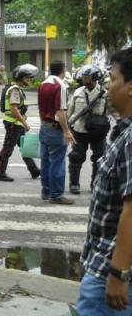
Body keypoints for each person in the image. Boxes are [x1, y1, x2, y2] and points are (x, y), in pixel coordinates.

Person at [77, 48, 132, 315]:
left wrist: (118, 274)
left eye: (113, 78)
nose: (108, 86)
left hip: (109, 278)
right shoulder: (123, 131)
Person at [67, 65, 110, 194]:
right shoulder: (78, 92)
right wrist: (66, 127)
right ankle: (74, 184)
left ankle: (95, 184)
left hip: (98, 131)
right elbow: (70, 111)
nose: (84, 80)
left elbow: (112, 111)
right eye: (84, 77)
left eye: (87, 77)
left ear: (95, 78)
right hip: (80, 130)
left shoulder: (104, 94)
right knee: (76, 157)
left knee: (99, 158)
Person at [0, 64, 41, 182]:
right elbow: (14, 108)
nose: (29, 80)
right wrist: (24, 123)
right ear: (20, 78)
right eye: (27, 77)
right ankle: (0, 173)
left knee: (25, 147)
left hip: (17, 124)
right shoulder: (15, 90)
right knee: (7, 149)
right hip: (13, 124)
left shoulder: (17, 89)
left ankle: (34, 170)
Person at [38, 60, 75, 205]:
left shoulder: (43, 85)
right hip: (55, 128)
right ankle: (56, 195)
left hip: (44, 126)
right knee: (57, 163)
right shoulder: (60, 86)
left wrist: (43, 124)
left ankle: (46, 191)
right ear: (63, 70)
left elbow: (41, 109)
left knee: (46, 161)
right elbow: (60, 111)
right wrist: (66, 131)